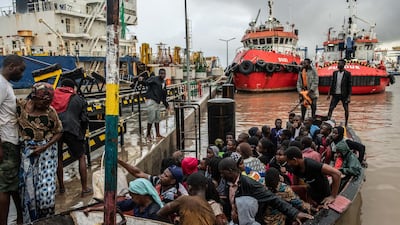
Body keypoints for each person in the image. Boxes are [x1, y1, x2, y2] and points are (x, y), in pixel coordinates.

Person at [16, 82, 63, 223]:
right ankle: (31, 220)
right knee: (27, 190)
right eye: (43, 101)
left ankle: (46, 219)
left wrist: (44, 147)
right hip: (27, 152)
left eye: (49, 101)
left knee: (46, 192)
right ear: (34, 97)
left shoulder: (51, 112)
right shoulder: (20, 107)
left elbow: (59, 132)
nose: (46, 104)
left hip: (47, 152)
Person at [218, 158, 313, 224]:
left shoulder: (249, 183)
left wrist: (294, 213)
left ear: (230, 170)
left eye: (222, 173)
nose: (221, 176)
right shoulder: (228, 184)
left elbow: (273, 198)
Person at [51, 78, 91, 196]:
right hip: (72, 129)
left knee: (58, 158)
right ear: (73, 88)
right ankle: (84, 189)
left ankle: (61, 188)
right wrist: (82, 134)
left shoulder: (53, 96)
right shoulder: (79, 99)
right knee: (81, 157)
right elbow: (84, 119)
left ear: (61, 85)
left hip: (55, 131)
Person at [0, 55, 25, 225]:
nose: (22, 74)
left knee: (13, 184)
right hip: (6, 142)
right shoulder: (1, 85)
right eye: (20, 69)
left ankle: (20, 219)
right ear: (11, 66)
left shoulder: (6, 85)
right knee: (5, 187)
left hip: (11, 141)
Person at [84, 178, 164, 221]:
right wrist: (91, 209)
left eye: (133, 196)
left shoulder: (154, 212)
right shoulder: (136, 203)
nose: (131, 198)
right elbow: (115, 206)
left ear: (142, 195)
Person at [139, 68, 169, 141]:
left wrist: (166, 105)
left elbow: (163, 95)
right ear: (159, 74)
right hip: (151, 100)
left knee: (157, 118)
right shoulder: (154, 79)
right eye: (161, 73)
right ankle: (148, 134)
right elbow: (146, 83)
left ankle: (158, 134)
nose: (163, 75)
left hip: (158, 102)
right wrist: (141, 80)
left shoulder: (163, 82)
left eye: (164, 74)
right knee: (151, 118)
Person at [327, 59, 352, 127]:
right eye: (338, 64)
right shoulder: (335, 73)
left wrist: (349, 97)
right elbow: (332, 83)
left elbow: (349, 85)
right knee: (331, 108)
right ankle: (328, 120)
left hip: (344, 95)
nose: (338, 65)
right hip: (335, 94)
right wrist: (329, 94)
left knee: (346, 109)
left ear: (343, 65)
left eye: (340, 64)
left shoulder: (347, 74)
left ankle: (346, 123)